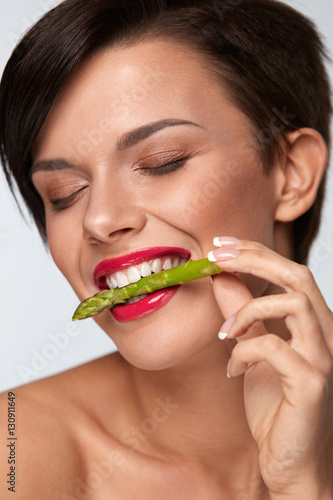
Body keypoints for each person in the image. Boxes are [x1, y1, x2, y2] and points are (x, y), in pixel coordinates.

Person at [0, 0, 332, 498]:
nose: (100, 220)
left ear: (291, 174)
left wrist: (304, 487)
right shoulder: (13, 451)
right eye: (64, 194)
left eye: (162, 161)